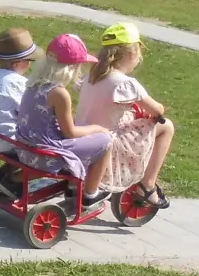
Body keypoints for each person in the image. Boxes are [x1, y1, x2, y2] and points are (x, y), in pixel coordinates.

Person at [79, 22, 175, 208]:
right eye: (139, 53)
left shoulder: (92, 74)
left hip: (82, 131)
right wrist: (156, 110)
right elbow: (157, 111)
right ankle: (147, 186)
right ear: (131, 54)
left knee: (130, 119)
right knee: (166, 127)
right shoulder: (125, 83)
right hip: (107, 141)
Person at [15, 33, 112, 209]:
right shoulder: (59, 93)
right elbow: (71, 133)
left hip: (25, 148)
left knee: (84, 132)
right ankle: (90, 194)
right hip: (45, 155)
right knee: (105, 141)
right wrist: (97, 128)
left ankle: (74, 186)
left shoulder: (33, 83)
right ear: (71, 67)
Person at [0, 28, 40, 197]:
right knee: (47, 151)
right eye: (29, 60)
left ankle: (0, 175)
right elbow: (29, 112)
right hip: (10, 143)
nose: (31, 64)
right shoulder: (19, 83)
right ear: (17, 63)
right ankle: (14, 180)